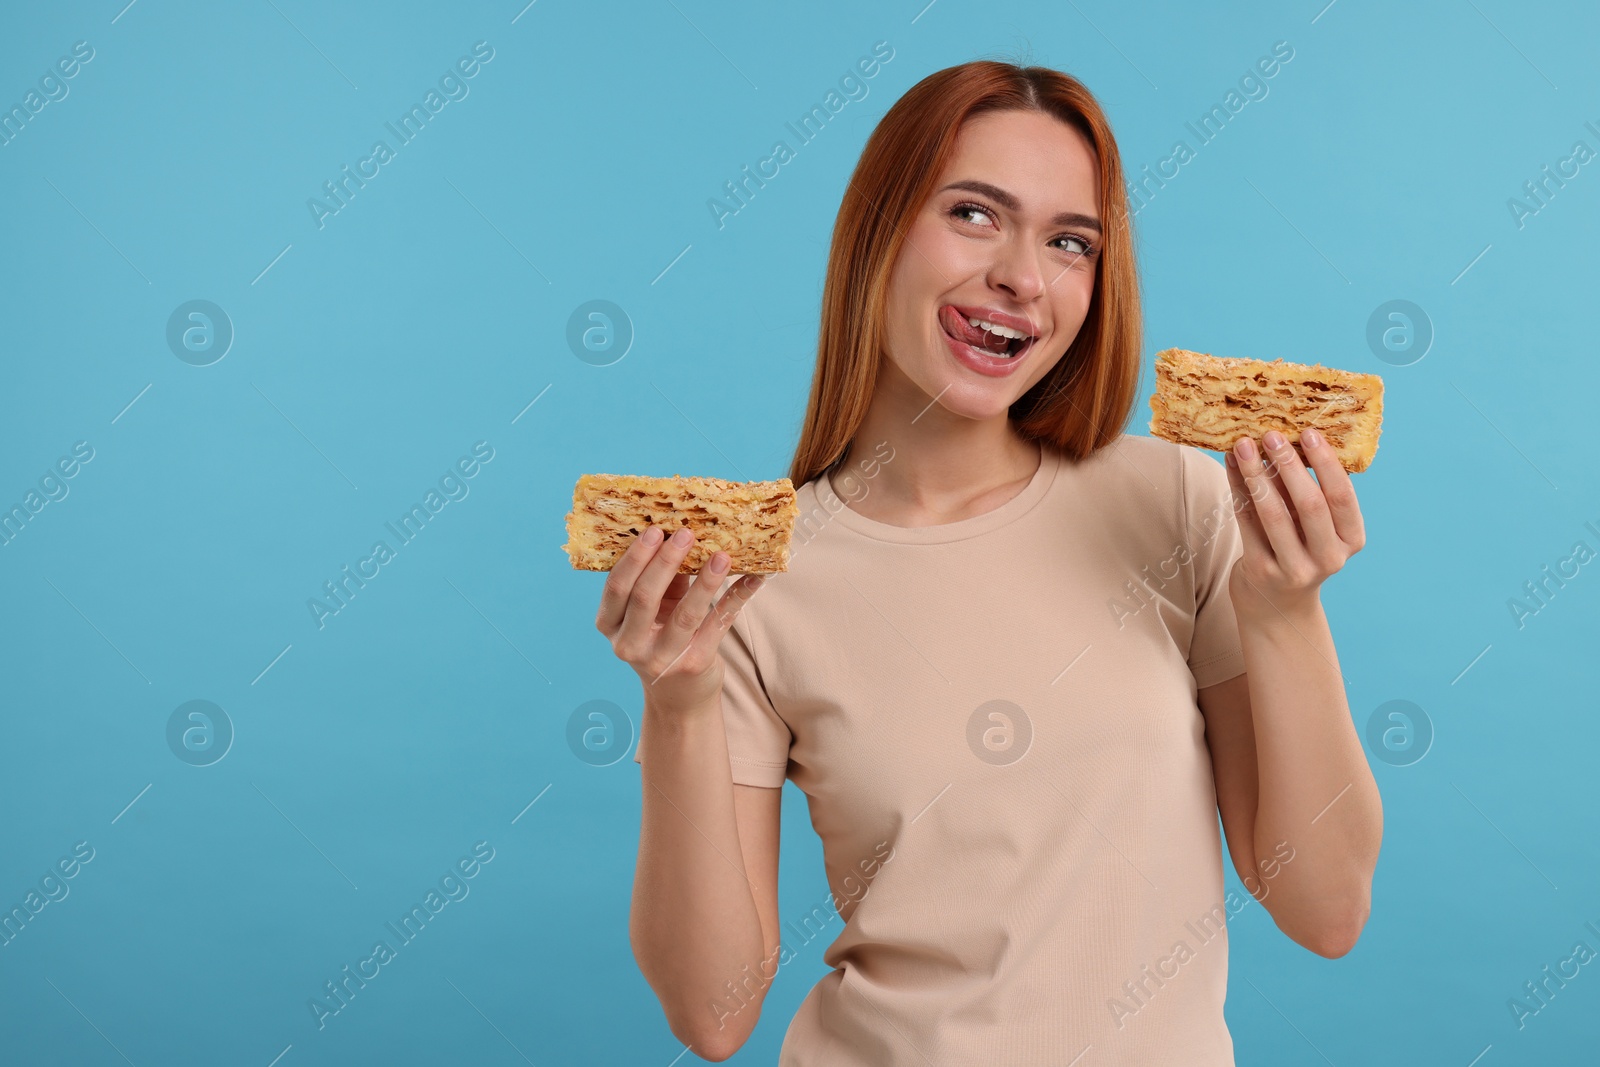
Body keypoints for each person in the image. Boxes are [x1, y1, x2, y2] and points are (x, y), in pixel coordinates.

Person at [603, 59, 1382, 1066]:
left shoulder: (1177, 502)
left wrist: (1284, 610)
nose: (1024, 274)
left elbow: (1324, 907)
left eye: (1070, 241)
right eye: (974, 214)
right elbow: (712, 1015)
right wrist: (677, 701)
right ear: (878, 231)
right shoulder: (755, 580)